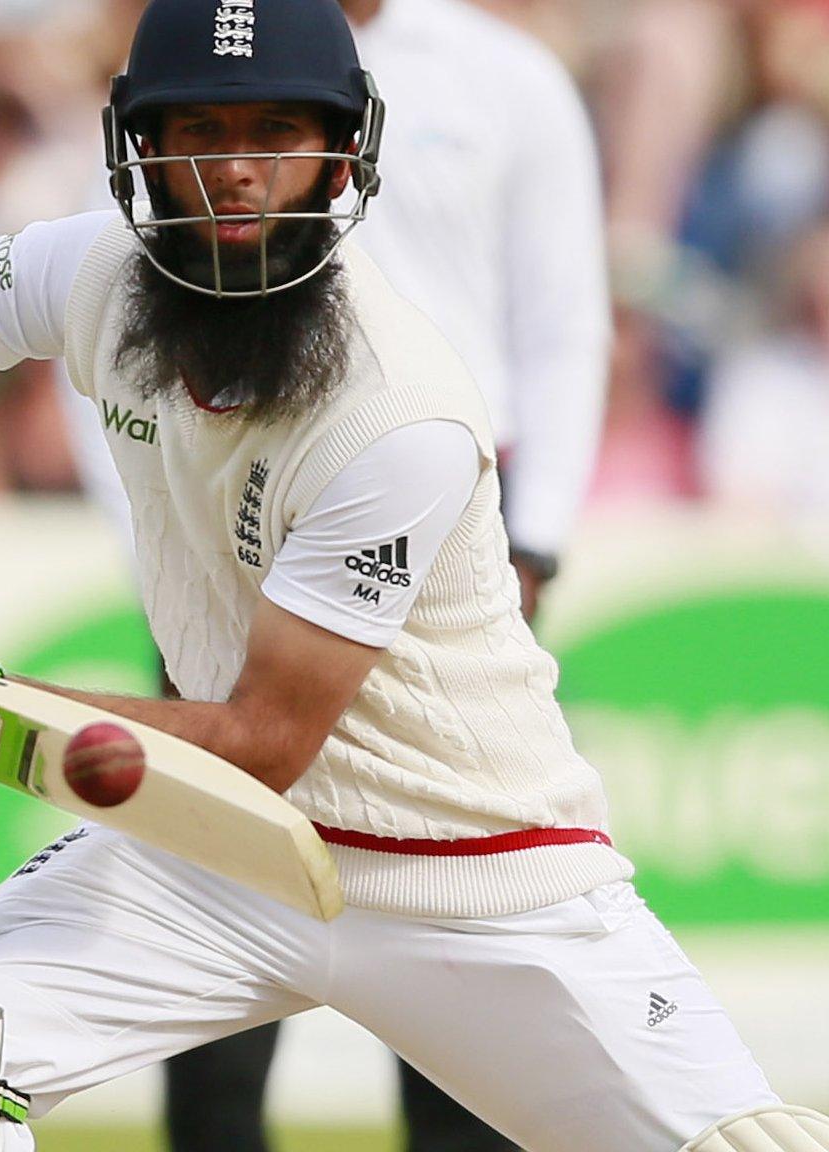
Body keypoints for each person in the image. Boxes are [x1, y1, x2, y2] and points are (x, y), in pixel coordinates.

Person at [0, 2, 829, 1150]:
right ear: (133, 148)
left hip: (472, 875)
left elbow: (259, 740)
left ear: (343, 154)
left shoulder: (397, 413)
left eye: (274, 134)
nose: (236, 169)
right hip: (209, 861)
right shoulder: (90, 273)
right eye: (196, 132)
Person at [138, 0, 612, 1145]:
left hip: (453, 562)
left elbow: (562, 326)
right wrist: (176, 568)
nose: (232, 156)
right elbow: (120, 309)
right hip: (231, 555)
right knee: (207, 942)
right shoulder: (199, 60)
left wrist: (531, 541)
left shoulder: (505, 77)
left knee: (465, 939)